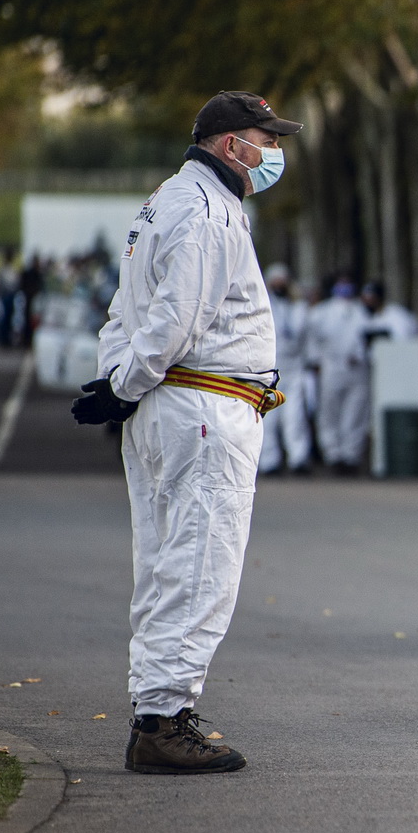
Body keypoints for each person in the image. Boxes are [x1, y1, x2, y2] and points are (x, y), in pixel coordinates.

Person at [72, 90, 303, 774]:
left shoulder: (164, 202)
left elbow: (125, 309)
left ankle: (159, 705)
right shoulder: (209, 213)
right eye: (267, 139)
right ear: (232, 145)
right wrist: (128, 380)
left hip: (168, 406)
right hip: (203, 405)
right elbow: (179, 319)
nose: (274, 153)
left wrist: (120, 382)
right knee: (201, 563)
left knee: (166, 561)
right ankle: (163, 719)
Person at [306, 273, 373, 475]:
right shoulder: (321, 312)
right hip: (331, 367)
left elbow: (367, 338)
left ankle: (350, 455)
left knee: (355, 413)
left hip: (357, 369)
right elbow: (313, 340)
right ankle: (333, 454)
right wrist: (315, 361)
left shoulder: (361, 312)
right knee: (330, 412)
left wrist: (360, 355)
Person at [258, 263, 313, 476]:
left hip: (294, 368)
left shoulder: (298, 307)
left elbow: (304, 336)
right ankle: (270, 461)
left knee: (295, 416)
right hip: (270, 368)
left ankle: (298, 458)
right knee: (270, 417)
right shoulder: (264, 304)